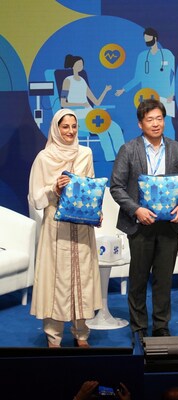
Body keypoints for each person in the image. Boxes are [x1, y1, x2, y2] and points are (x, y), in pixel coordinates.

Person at [110, 99, 178, 338]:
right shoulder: (129, 149)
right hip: (140, 225)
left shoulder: (176, 148)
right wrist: (136, 209)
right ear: (140, 124)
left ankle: (161, 326)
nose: (156, 124)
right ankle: (139, 327)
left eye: (159, 118)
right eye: (150, 120)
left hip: (169, 224)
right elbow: (117, 187)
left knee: (164, 279)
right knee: (138, 280)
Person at [28, 109, 102, 348]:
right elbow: (35, 198)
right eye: (65, 127)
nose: (70, 131)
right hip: (56, 226)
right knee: (56, 279)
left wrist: (97, 211)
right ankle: (54, 335)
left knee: (82, 277)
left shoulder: (85, 153)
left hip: (82, 225)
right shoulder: (44, 157)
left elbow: (91, 187)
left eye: (74, 126)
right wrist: (55, 188)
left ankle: (81, 333)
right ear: (56, 129)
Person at [61, 54, 125, 161]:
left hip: (91, 115)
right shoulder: (67, 81)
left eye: (82, 64)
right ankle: (110, 158)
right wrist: (81, 105)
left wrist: (105, 90)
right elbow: (63, 103)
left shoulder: (82, 81)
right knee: (102, 130)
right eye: (78, 64)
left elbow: (96, 102)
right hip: (78, 118)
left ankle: (123, 157)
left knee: (115, 127)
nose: (81, 66)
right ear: (73, 66)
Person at [115, 27, 176, 138]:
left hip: (165, 96)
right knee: (148, 123)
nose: (147, 41)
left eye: (149, 39)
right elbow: (137, 78)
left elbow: (176, 74)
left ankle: (171, 148)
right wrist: (124, 89)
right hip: (147, 96)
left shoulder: (167, 54)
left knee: (167, 124)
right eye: (145, 40)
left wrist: (172, 93)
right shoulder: (142, 56)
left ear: (155, 38)